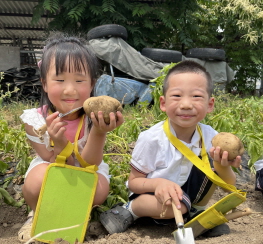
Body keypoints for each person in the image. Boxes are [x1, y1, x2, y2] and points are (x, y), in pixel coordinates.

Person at [100, 60, 241, 236]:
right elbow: (134, 182)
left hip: (187, 200)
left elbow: (229, 186)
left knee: (204, 171)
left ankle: (195, 213)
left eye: (196, 96)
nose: (186, 104)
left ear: (210, 104)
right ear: (163, 103)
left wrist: (223, 165)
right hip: (151, 196)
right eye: (176, 96)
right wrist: (159, 183)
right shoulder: (152, 139)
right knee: (176, 206)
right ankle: (130, 210)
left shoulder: (211, 137)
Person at [17, 33, 124, 242]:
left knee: (99, 189)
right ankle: (36, 213)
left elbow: (91, 163)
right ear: (45, 84)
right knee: (37, 181)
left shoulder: (95, 117)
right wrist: (60, 146)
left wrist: (100, 131)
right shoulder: (35, 120)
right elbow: (51, 160)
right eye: (59, 79)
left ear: (92, 84)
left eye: (79, 80)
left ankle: (75, 214)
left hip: (85, 167)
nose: (69, 89)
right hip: (52, 164)